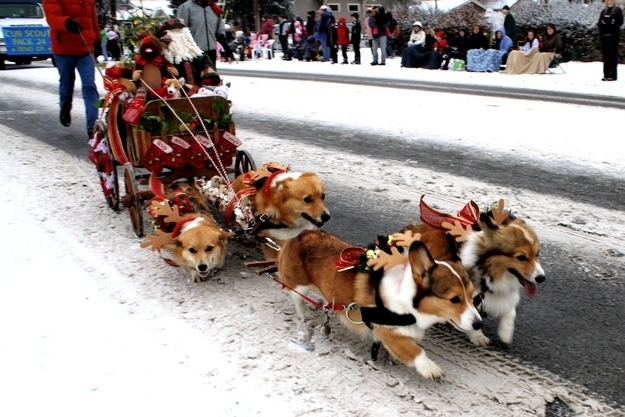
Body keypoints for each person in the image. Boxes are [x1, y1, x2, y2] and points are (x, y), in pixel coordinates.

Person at [42, 0, 101, 139]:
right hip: (63, 48)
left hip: (85, 47)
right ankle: (65, 108)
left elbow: (92, 18)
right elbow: (52, 17)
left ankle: (93, 126)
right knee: (67, 85)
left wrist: (97, 39)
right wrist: (66, 22)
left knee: (89, 85)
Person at [176, 0, 233, 67]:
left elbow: (220, 32)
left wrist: (226, 49)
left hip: (211, 53)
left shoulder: (214, 9)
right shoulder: (186, 7)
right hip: (193, 54)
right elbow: (179, 32)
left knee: (211, 76)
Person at [598, 0, 623, 81]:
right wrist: (603, 24)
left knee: (612, 56)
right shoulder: (603, 11)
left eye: (612, 0)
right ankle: (606, 74)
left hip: (613, 37)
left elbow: (620, 22)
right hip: (604, 37)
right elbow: (599, 23)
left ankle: (613, 75)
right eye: (608, 0)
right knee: (606, 56)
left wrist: (611, 23)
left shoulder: (617, 11)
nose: (610, 2)